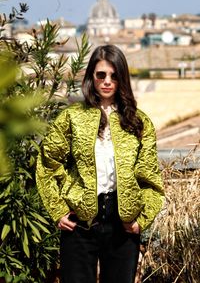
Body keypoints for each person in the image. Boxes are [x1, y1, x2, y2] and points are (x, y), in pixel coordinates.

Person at [36, 44, 164, 283]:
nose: (107, 81)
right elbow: (47, 163)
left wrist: (141, 220)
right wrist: (58, 211)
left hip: (122, 224)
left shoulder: (138, 122)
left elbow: (150, 178)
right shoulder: (72, 117)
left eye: (114, 76)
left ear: (122, 79)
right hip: (79, 223)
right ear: (91, 77)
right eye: (101, 75)